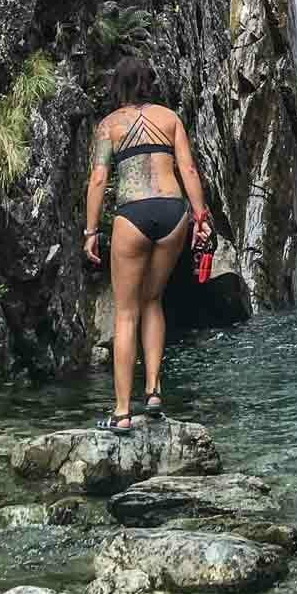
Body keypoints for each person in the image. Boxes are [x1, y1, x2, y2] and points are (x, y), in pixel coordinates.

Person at [84, 54, 210, 432]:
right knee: (153, 299)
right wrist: (201, 219)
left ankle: (122, 412)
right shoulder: (170, 119)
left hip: (133, 213)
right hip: (174, 213)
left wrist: (91, 231)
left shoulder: (109, 126)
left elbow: (98, 180)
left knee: (125, 313)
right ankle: (153, 392)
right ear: (149, 84)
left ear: (118, 87)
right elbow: (188, 169)